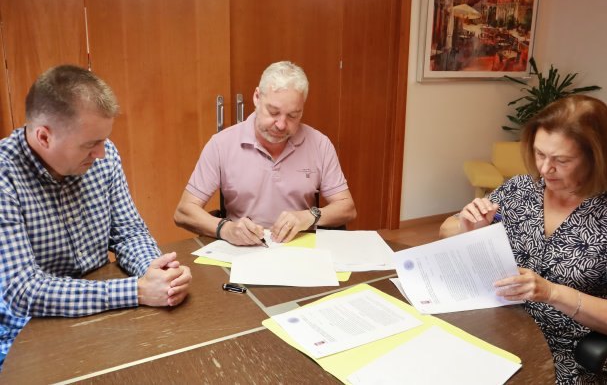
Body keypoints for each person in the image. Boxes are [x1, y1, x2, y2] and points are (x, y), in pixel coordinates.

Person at [0, 65, 192, 368]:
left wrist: (157, 272)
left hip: (105, 310)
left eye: (103, 140)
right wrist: (137, 291)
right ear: (44, 137)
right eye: (90, 144)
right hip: (29, 333)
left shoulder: (105, 155)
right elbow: (23, 290)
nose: (102, 153)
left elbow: (129, 232)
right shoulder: (5, 176)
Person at [440, 95, 607, 384]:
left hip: (563, 354)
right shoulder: (520, 189)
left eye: (561, 160)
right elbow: (445, 230)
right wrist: (469, 227)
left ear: (596, 157)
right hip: (494, 328)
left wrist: (552, 293)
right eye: (539, 154)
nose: (545, 169)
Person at [174, 61, 356, 245]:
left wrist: (310, 216)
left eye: (292, 115)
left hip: (299, 249)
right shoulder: (221, 144)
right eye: (273, 112)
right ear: (257, 97)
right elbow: (184, 212)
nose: (281, 125)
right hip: (242, 249)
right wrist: (226, 229)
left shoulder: (319, 144)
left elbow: (347, 208)